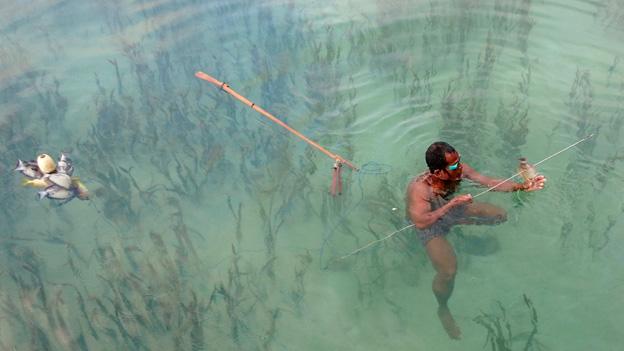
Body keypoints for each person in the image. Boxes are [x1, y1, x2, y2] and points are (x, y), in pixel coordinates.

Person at [406, 141, 546, 340]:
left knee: (500, 215)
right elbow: (420, 222)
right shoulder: (419, 189)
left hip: (452, 210)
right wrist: (453, 203)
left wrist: (522, 187)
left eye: (459, 160)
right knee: (448, 271)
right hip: (431, 224)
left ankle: (461, 236)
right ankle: (442, 308)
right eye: (454, 166)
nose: (460, 166)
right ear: (438, 172)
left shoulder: (459, 169)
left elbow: (489, 182)